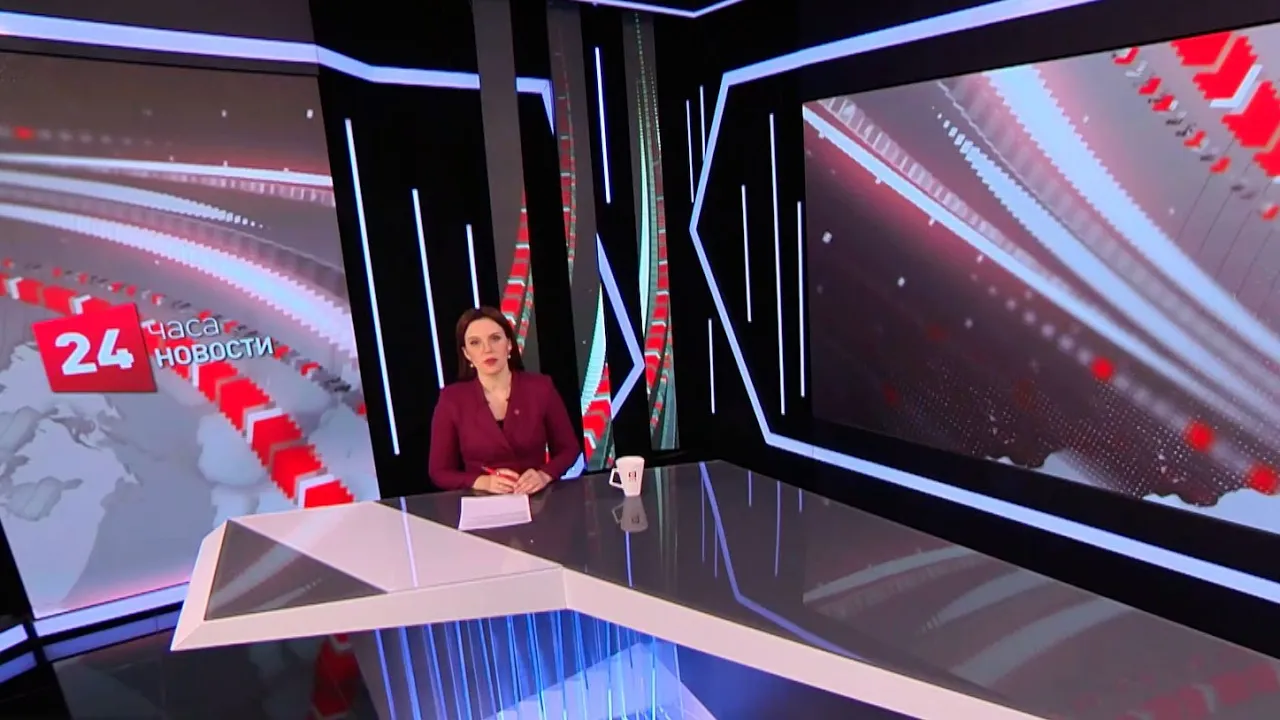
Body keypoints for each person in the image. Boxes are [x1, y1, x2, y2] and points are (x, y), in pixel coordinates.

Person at [429, 307, 581, 494]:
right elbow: (439, 471)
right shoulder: (452, 399)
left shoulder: (541, 387)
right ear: (467, 353)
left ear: (509, 344)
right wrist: (481, 482)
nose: (487, 349)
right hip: (482, 502)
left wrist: (544, 474)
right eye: (475, 343)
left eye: (495, 338)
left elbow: (569, 449)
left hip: (535, 498)